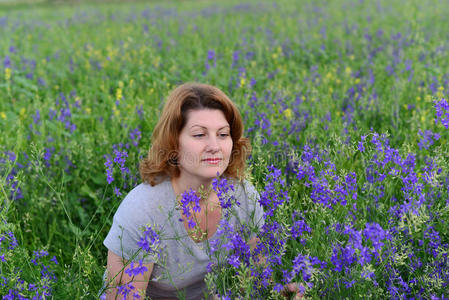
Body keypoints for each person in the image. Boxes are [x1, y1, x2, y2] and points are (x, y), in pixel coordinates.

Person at [102, 83, 301, 299]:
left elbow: (256, 284)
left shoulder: (243, 196)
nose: (214, 146)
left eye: (223, 134)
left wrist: (281, 295)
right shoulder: (143, 210)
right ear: (174, 143)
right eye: (199, 135)